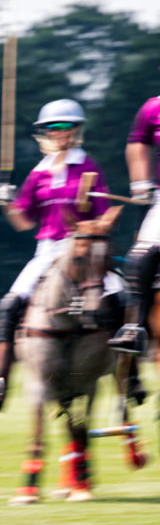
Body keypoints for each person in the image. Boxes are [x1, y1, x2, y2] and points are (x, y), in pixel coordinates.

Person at [0, 99, 119, 409]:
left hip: (83, 250)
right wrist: (6, 204)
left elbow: (102, 220)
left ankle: (129, 375)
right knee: (8, 305)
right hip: (47, 252)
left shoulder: (88, 167)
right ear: (44, 132)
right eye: (52, 127)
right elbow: (23, 222)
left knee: (120, 296)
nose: (59, 132)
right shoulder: (39, 173)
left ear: (76, 130)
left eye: (65, 126)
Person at [107, 95, 160, 354]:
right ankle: (134, 328)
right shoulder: (154, 107)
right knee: (139, 257)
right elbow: (138, 144)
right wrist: (140, 183)